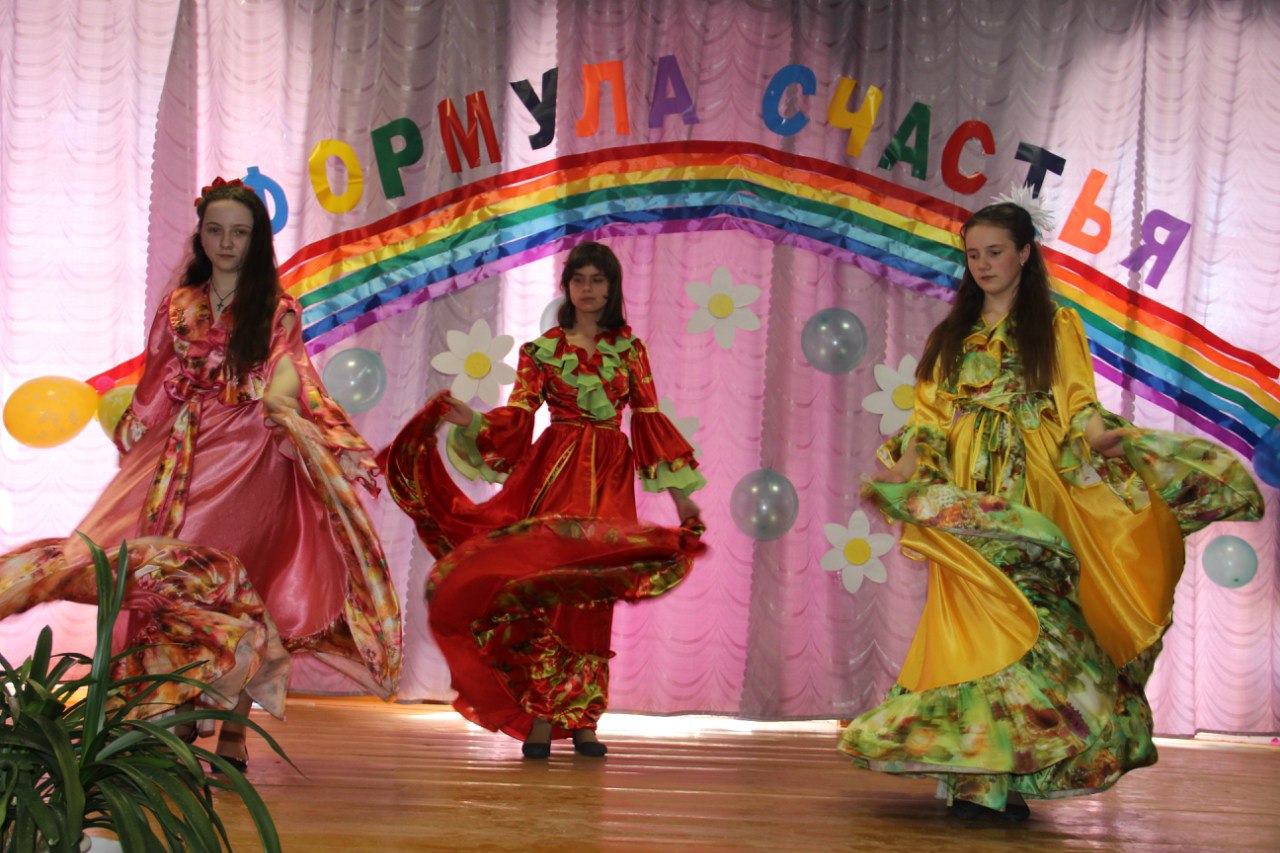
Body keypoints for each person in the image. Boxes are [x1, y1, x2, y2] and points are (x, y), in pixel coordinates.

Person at [839, 201, 1263, 819]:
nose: (983, 264)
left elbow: (1077, 404)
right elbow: (929, 419)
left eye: (995, 252)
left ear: (1024, 253)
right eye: (973, 254)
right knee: (974, 625)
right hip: (967, 498)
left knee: (1033, 625)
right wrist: (901, 473)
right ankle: (977, 782)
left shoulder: (1057, 325)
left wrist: (1102, 436)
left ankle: (1003, 777)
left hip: (1028, 492)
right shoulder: (950, 336)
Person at [0, 177, 403, 771]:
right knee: (181, 580)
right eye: (215, 230)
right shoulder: (181, 305)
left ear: (256, 240)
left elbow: (290, 368)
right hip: (184, 457)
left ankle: (235, 726)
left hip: (252, 457)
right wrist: (137, 427)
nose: (226, 242)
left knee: (245, 586)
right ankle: (180, 708)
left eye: (239, 232)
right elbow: (156, 378)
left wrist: (280, 404)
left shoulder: (277, 309)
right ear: (201, 236)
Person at [383, 241, 706, 759]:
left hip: (609, 483)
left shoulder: (631, 351)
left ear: (612, 287)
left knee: (593, 596)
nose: (588, 288)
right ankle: (540, 715)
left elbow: (650, 426)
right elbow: (518, 417)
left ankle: (585, 721)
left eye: (598, 279)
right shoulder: (542, 351)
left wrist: (683, 501)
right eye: (579, 278)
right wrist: (474, 420)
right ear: (566, 286)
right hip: (554, 478)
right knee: (548, 596)